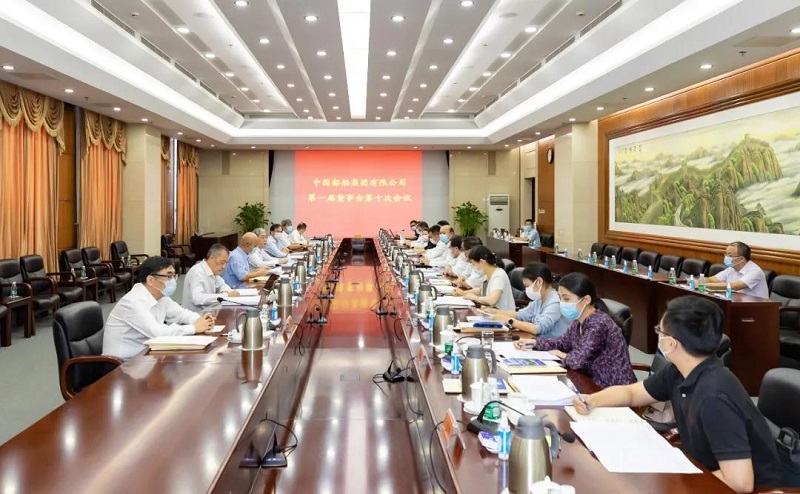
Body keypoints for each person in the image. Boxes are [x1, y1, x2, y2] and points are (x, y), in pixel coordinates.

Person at [571, 296, 782, 493]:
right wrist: (593, 399)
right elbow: (632, 393)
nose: (659, 336)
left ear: (671, 343)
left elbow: (739, 482)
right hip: (705, 470)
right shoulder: (680, 370)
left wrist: (678, 485)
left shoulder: (714, 397)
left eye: (660, 331)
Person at [518, 272, 635, 388]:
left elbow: (578, 361)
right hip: (589, 380)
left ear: (586, 300)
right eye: (560, 298)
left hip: (613, 387)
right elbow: (561, 343)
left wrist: (561, 354)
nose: (561, 303)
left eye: (566, 299)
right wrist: (535, 343)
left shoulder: (599, 324)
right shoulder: (578, 321)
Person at [103, 256, 214, 359]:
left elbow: (181, 314)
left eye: (174, 276)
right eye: (168, 276)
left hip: (146, 356)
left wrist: (201, 320)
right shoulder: (133, 302)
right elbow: (157, 333)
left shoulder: (161, 296)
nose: (173, 281)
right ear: (151, 280)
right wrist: (194, 328)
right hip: (121, 364)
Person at [485, 263, 568, 339]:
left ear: (539, 282)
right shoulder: (539, 299)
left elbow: (537, 329)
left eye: (527, 286)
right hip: (535, 341)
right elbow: (520, 315)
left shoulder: (555, 302)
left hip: (550, 347)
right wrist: (493, 312)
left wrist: (508, 320)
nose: (526, 290)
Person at [182, 244, 240, 313]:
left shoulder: (212, 271)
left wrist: (225, 292)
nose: (224, 266)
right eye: (222, 262)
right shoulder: (197, 272)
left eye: (226, 263)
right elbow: (197, 298)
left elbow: (223, 285)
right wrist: (225, 296)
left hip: (208, 313)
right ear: (212, 258)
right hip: (195, 316)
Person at [455, 245, 516, 311]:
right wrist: (464, 293)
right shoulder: (487, 273)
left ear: (482, 262)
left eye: (473, 264)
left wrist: (475, 298)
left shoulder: (499, 275)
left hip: (503, 315)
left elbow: (492, 300)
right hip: (491, 311)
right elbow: (480, 290)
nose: (474, 267)